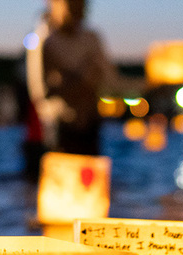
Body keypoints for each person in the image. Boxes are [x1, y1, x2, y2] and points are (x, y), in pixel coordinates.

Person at [31, 0, 119, 156]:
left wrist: (150, 84)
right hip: (60, 128)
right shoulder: (45, 41)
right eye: (71, 5)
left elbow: (113, 81)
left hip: (91, 125)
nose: (77, 10)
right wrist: (79, 80)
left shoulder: (92, 38)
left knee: (90, 176)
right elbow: (40, 93)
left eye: (80, 5)